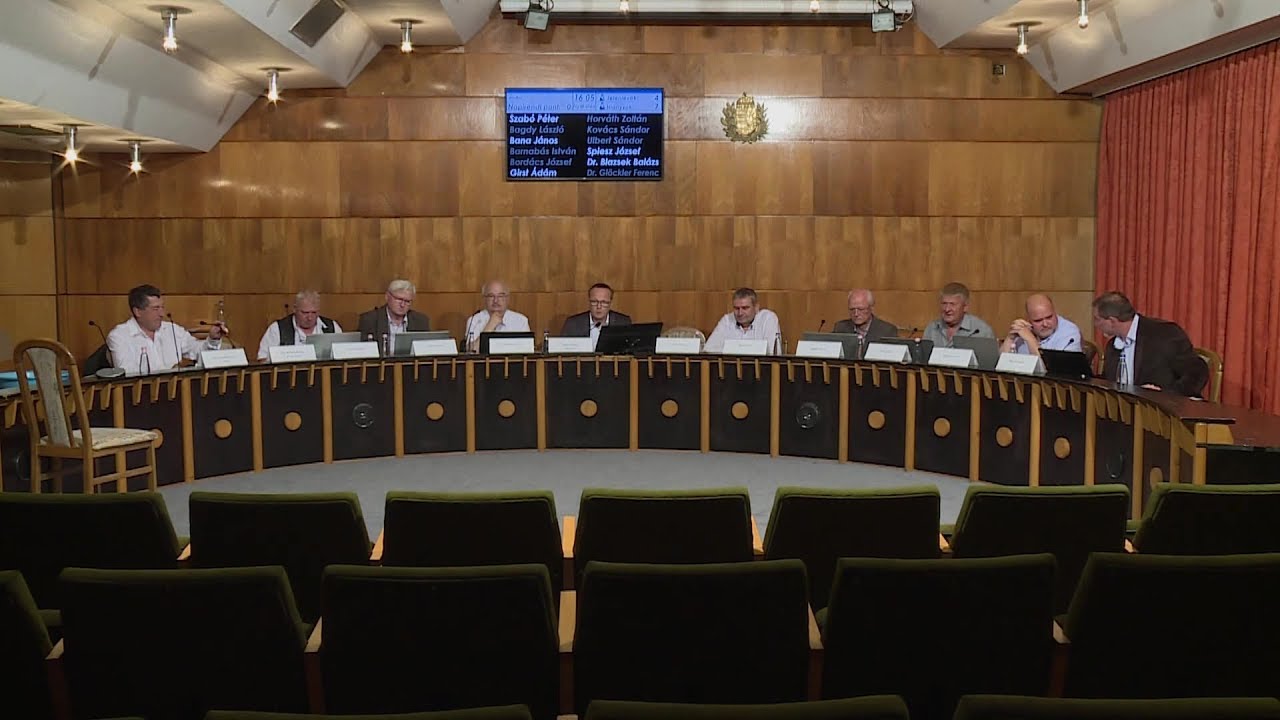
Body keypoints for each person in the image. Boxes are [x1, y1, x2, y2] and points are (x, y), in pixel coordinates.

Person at [1092, 291, 1207, 396]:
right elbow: (1110, 381)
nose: (1095, 324)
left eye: (1097, 319)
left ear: (1112, 321)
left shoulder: (1165, 334)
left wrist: (1167, 394)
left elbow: (1197, 372)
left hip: (1162, 408)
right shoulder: (1113, 346)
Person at [106, 284, 226, 375]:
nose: (161, 314)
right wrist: (169, 372)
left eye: (162, 307)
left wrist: (212, 339)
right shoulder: (119, 336)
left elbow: (198, 351)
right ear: (137, 311)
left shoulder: (172, 330)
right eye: (155, 309)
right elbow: (126, 372)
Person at [256, 290, 343, 361]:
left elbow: (344, 356)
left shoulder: (332, 327)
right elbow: (263, 359)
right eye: (305, 313)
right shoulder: (277, 329)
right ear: (295, 309)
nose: (310, 318)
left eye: (314, 313)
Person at [999, 293, 1082, 356]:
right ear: (1029, 320)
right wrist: (1010, 338)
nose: (1045, 324)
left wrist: (1030, 340)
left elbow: (1047, 370)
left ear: (1055, 312)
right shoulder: (1023, 329)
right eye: (1038, 320)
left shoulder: (1069, 333)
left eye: (1049, 317)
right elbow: (999, 365)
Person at [704, 287, 782, 354]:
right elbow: (708, 350)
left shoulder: (767, 318)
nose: (740, 313)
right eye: (736, 308)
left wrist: (731, 349)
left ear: (756, 307)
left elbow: (773, 353)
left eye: (745, 308)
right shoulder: (727, 320)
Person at [356, 279, 430, 343]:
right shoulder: (369, 320)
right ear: (387, 297)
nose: (402, 305)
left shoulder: (420, 321)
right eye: (399, 299)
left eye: (407, 301)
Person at [923, 282, 995, 347]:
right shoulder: (932, 328)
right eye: (944, 304)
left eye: (952, 304)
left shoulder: (981, 331)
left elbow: (989, 357)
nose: (947, 309)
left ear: (965, 307)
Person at [560, 283, 632, 348]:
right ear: (589, 301)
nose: (599, 306)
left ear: (610, 303)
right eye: (594, 302)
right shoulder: (573, 323)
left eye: (604, 302)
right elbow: (563, 350)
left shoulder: (622, 322)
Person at [465, 280, 531, 351]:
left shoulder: (521, 321)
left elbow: (527, 351)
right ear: (484, 299)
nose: (495, 300)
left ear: (508, 299)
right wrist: (489, 326)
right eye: (491, 296)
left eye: (501, 296)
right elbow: (472, 351)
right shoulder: (475, 320)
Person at [832, 289, 898, 342]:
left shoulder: (887, 331)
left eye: (861, 309)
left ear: (871, 308)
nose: (856, 314)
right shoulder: (840, 328)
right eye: (852, 309)